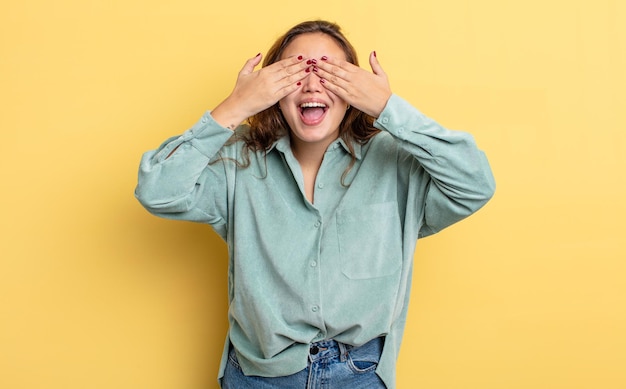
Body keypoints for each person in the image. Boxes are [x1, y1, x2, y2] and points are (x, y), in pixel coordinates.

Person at [135, 20, 495, 389]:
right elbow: (157, 189)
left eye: (329, 71)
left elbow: (474, 184)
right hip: (258, 375)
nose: (311, 84)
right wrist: (234, 107)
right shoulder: (239, 159)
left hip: (361, 373)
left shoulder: (395, 159)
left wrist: (388, 107)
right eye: (294, 71)